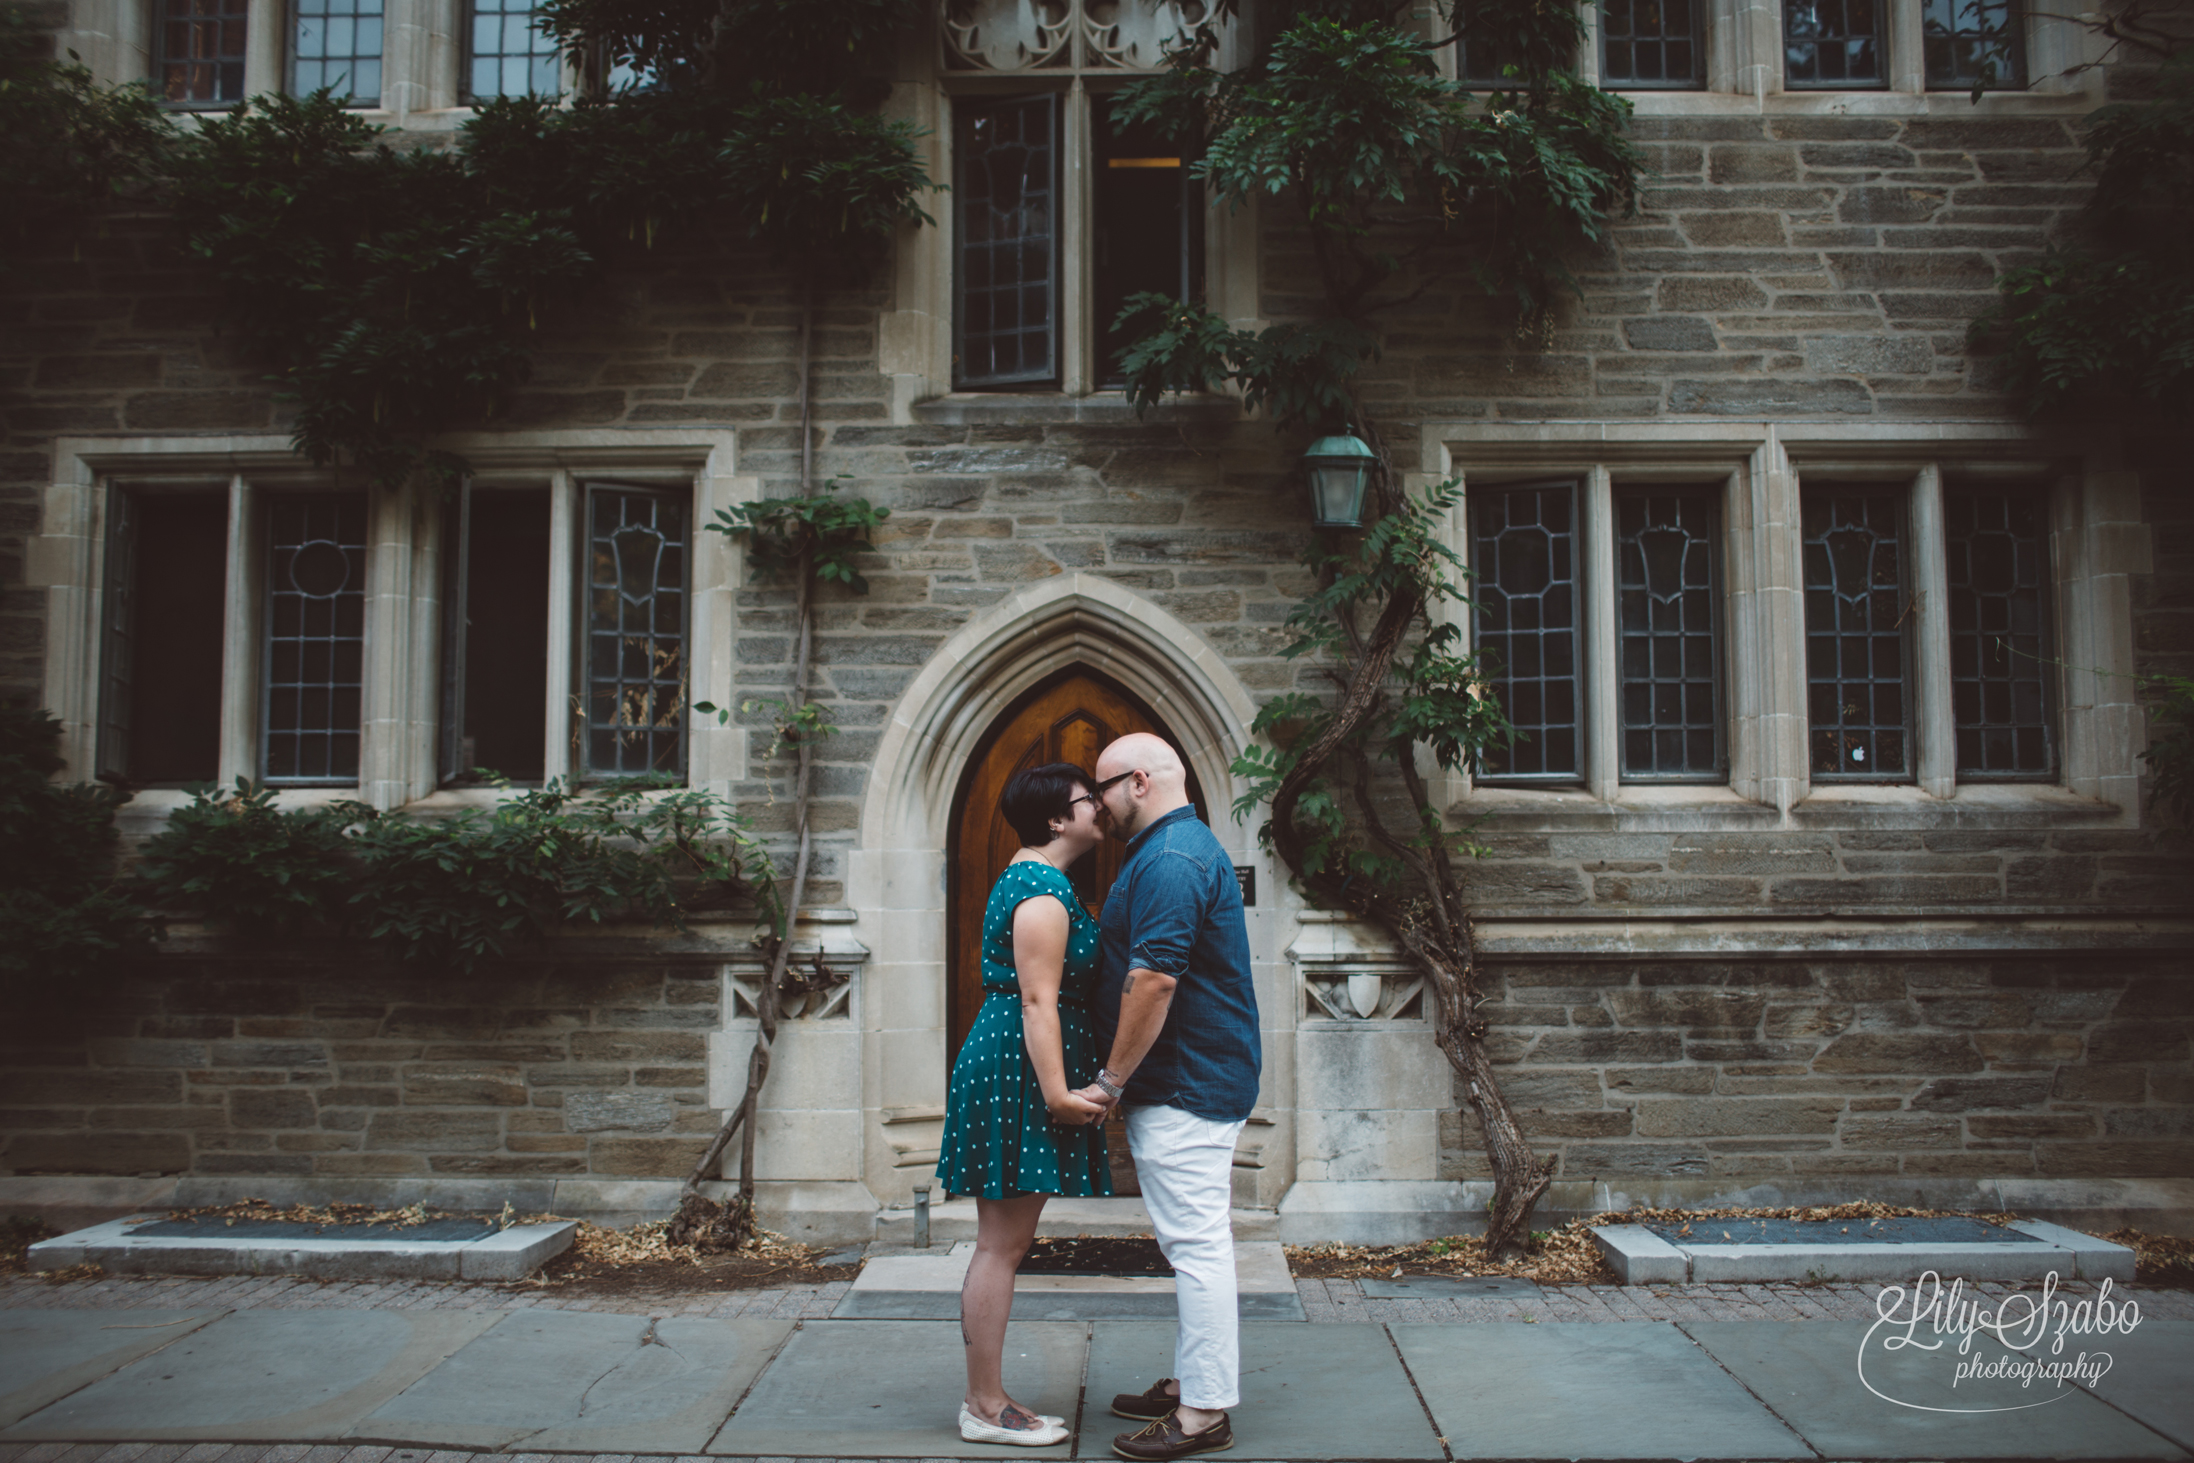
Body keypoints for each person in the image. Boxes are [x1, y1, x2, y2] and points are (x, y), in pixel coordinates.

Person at [1075, 732, 1261, 1462]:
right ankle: (1193, 1381)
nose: (1097, 804)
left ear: (1141, 780)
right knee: (1193, 1240)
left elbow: (1153, 980)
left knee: (1197, 1245)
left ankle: (1205, 1412)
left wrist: (1110, 1080)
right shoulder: (1168, 851)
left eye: (1103, 788)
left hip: (1186, 1079)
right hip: (1189, 1075)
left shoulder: (1173, 859)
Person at [935, 761, 1114, 1447]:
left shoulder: (1043, 880)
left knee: (1001, 1242)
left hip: (1013, 1062)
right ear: (1055, 818)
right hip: (1017, 1069)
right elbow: (1039, 999)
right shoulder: (1040, 888)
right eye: (1086, 799)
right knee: (1000, 1245)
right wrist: (1058, 1095)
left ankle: (985, 1398)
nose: (1098, 807)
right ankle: (984, 1405)